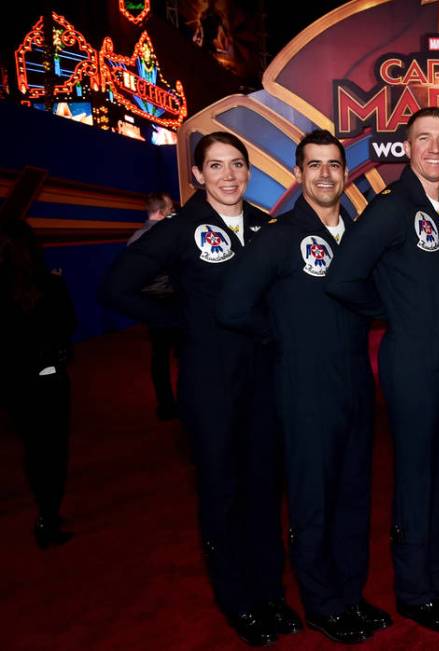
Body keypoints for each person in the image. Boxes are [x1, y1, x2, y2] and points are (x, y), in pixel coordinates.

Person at [101, 132, 300, 646]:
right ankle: (238, 601)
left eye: (237, 164)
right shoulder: (180, 229)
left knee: (263, 491)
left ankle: (271, 594)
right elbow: (116, 288)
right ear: (196, 175)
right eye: (216, 166)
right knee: (223, 494)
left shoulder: (263, 226)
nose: (229, 176)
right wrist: (180, 322)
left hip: (263, 380)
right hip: (210, 387)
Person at [216, 130, 391, 644]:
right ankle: (322, 603)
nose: (324, 174)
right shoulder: (279, 235)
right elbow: (231, 307)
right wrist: (283, 337)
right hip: (303, 390)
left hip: (357, 384)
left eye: (333, 165)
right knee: (313, 501)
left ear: (345, 173)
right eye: (313, 165)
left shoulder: (359, 233)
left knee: (355, 496)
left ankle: (351, 595)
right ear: (298, 173)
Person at [322, 107, 439, 633]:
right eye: (424, 139)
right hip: (411, 364)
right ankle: (414, 592)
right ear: (407, 148)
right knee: (415, 479)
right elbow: (343, 278)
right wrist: (393, 310)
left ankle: (436, 582)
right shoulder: (391, 207)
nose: (434, 148)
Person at [0, 218, 75, 549]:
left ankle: (46, 512)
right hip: (49, 378)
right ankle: (48, 512)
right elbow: (68, 325)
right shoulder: (50, 286)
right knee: (53, 448)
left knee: (33, 447)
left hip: (15, 382)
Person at [128, 192, 180, 420]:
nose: (173, 211)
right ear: (161, 210)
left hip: (149, 304)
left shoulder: (135, 238)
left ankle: (165, 405)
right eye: (170, 208)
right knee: (185, 354)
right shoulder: (165, 236)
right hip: (171, 301)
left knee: (159, 356)